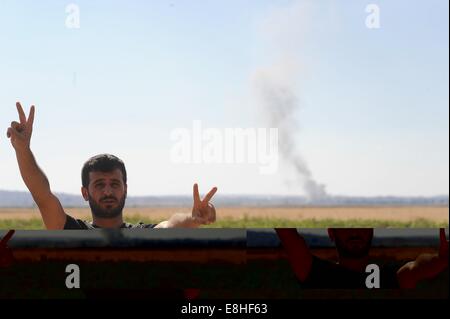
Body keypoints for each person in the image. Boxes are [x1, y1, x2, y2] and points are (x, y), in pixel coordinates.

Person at [7, 102, 217, 229]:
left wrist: (193, 218)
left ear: (125, 189)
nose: (108, 191)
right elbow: (42, 195)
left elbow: (171, 225)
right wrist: (23, 149)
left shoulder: (143, 235)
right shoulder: (71, 231)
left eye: (115, 184)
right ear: (85, 192)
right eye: (99, 184)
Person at [275, 228, 448, 289]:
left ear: (372, 231)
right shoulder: (315, 274)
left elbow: (416, 268)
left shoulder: (388, 278)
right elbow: (288, 236)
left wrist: (441, 259)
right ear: (331, 232)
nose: (355, 231)